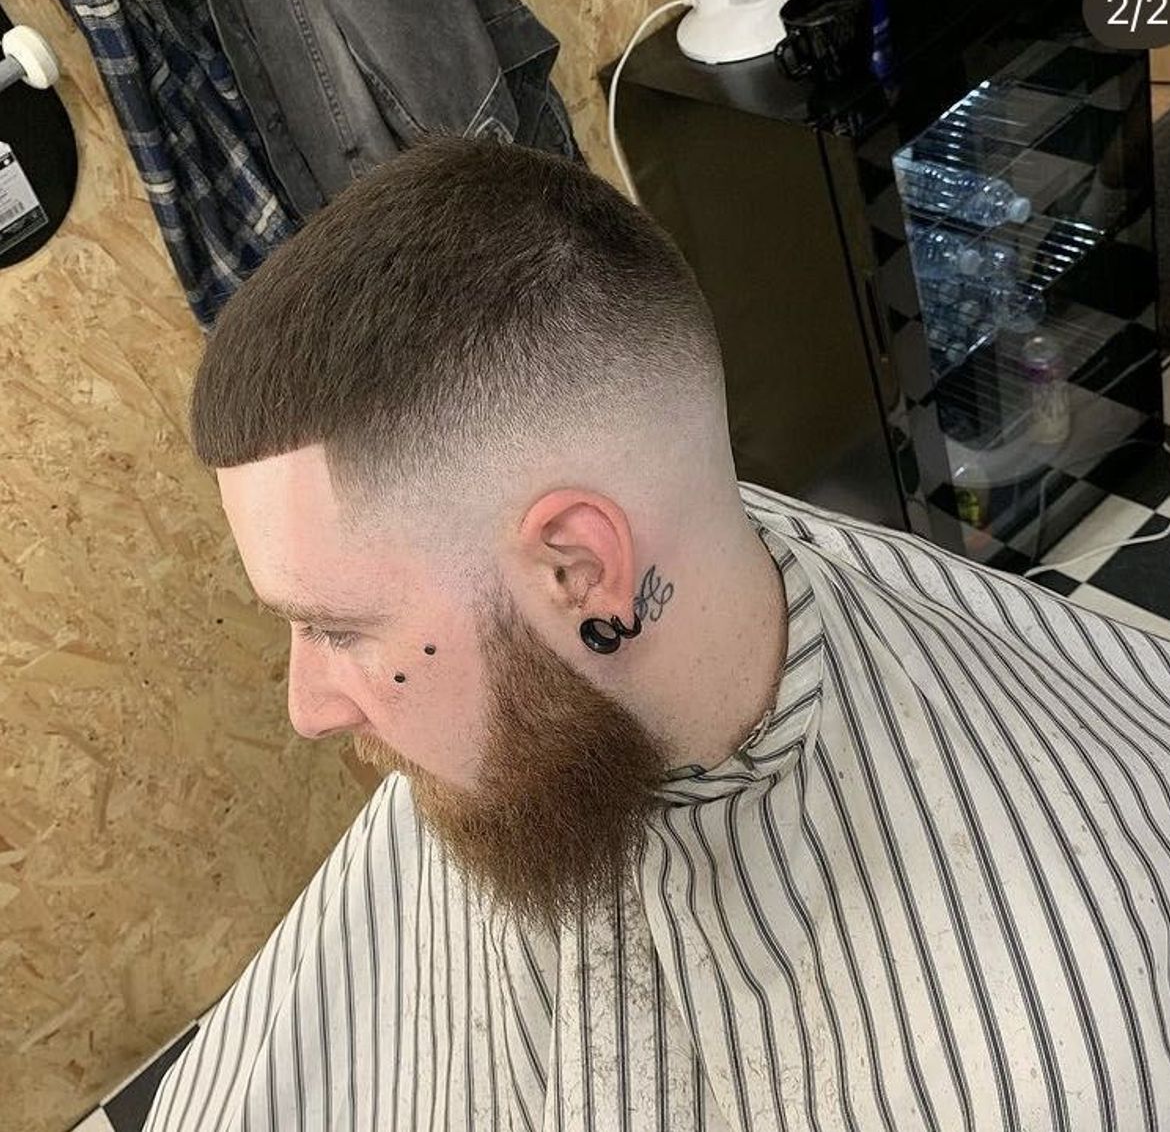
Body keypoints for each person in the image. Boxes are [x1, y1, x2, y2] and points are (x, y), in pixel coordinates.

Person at [144, 134, 1170, 1132]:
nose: (308, 710)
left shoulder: (1034, 1051)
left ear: (580, 572)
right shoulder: (663, 577)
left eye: (337, 629)